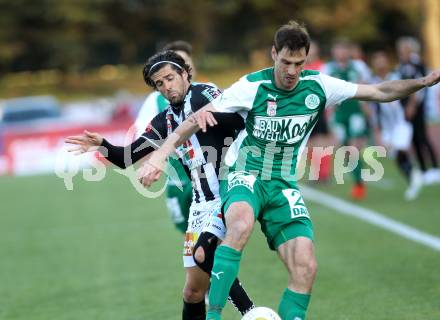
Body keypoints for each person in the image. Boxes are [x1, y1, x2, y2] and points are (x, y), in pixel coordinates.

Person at [140, 20, 440, 320]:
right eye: (285, 62)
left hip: (283, 182)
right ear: (274, 54)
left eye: (298, 63)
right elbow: (197, 117)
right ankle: (216, 315)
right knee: (240, 224)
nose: (291, 71)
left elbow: (380, 91)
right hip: (246, 173)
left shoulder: (319, 85)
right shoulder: (252, 86)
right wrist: (160, 154)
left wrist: (423, 82)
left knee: (306, 265)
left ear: (305, 59)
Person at [65, 50, 255, 319]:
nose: (167, 87)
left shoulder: (203, 94)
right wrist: (103, 145)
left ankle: (252, 313)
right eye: (160, 83)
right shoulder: (164, 120)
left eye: (170, 78)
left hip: (227, 192)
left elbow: (239, 117)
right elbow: (127, 157)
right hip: (200, 206)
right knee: (193, 292)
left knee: (205, 255)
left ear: (184, 73)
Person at [134, 41, 195, 234]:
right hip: (179, 182)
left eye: (184, 62)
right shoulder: (156, 100)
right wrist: (154, 162)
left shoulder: (208, 92)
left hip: (211, 178)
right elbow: (141, 140)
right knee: (191, 239)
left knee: (216, 238)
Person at [370, 51, 423, 200]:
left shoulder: (396, 76)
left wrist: (411, 106)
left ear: (387, 62)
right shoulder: (373, 81)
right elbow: (373, 107)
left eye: (382, 60)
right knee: (394, 155)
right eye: (376, 61)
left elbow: (412, 90)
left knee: (400, 149)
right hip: (387, 125)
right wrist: (377, 129)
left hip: (401, 122)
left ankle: (415, 175)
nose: (379, 64)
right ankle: (413, 176)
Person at [395, 37, 440, 185]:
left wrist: (412, 106)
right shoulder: (402, 65)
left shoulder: (416, 64)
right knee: (414, 139)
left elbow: (421, 86)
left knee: (422, 137)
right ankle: (424, 169)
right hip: (407, 108)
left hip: (417, 108)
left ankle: (433, 168)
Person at [304, 40, 332, 182]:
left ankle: (324, 174)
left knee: (320, 142)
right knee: (308, 145)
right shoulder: (299, 68)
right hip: (303, 112)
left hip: (319, 110)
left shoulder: (323, 67)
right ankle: (317, 172)